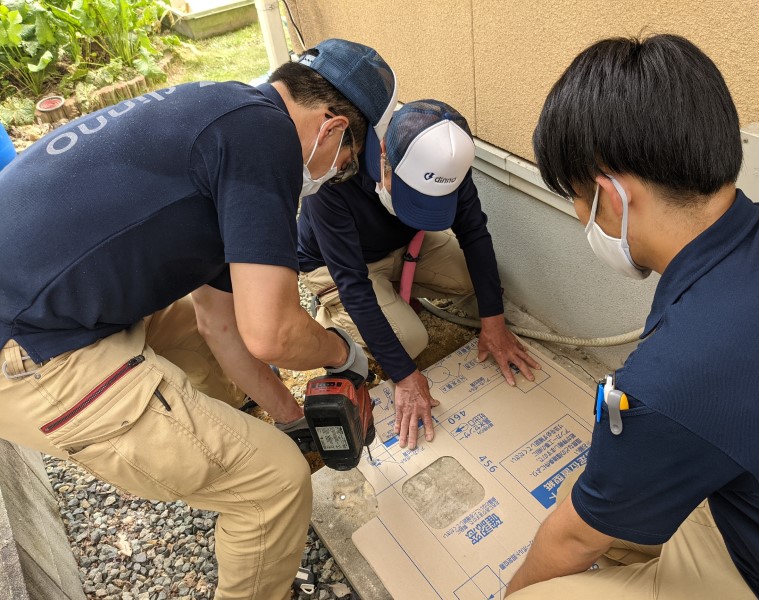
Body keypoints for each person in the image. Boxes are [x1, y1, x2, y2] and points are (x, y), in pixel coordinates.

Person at [0, 38, 397, 600]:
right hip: (27, 353)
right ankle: (241, 492)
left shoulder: (225, 111)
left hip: (40, 301)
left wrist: (292, 418)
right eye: (345, 165)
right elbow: (274, 332)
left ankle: (224, 439)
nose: (334, 176)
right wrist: (343, 354)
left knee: (191, 326)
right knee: (276, 483)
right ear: (332, 130)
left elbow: (222, 322)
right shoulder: (268, 141)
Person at [505, 34, 759, 600]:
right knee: (601, 488)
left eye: (574, 196)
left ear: (611, 195)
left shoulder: (672, 379)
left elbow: (572, 542)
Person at [298, 99, 540, 450]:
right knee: (411, 342)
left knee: (477, 282)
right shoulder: (336, 174)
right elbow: (353, 284)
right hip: (340, 265)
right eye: (411, 196)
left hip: (404, 246)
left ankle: (394, 292)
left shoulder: (447, 157)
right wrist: (404, 376)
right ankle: (332, 319)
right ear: (384, 156)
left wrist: (494, 323)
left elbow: (474, 233)